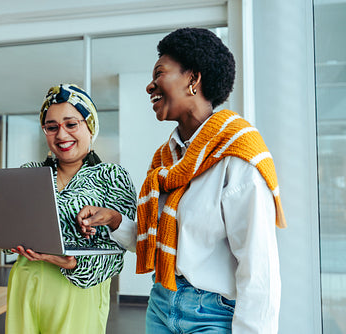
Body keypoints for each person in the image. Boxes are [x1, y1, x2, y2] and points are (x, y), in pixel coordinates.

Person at [77, 28, 287, 333]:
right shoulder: (165, 161)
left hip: (213, 316)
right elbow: (163, 242)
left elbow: (259, 270)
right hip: (162, 305)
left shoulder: (237, 157)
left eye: (160, 73)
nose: (150, 86)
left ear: (193, 79)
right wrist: (114, 221)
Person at [5, 83, 137, 334]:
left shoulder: (111, 176)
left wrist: (73, 263)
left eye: (71, 124)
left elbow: (122, 249)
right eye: (52, 127)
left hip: (77, 290)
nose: (61, 135)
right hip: (25, 280)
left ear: (90, 126)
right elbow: (8, 229)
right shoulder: (30, 172)